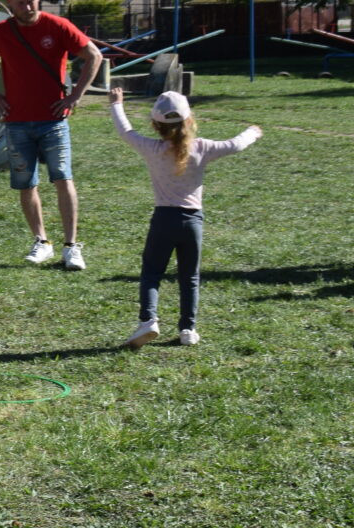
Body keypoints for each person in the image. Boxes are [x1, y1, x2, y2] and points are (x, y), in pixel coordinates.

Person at [111, 87, 261, 348]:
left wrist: (116, 104)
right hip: (193, 222)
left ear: (155, 125)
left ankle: (148, 321)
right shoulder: (202, 148)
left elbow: (126, 132)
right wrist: (252, 132)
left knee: (152, 273)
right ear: (189, 120)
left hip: (163, 219)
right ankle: (188, 329)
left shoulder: (152, 148)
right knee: (189, 277)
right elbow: (235, 145)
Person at [0, 0, 103, 270]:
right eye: (20, 2)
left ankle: (71, 247)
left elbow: (93, 55)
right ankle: (41, 242)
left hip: (53, 120)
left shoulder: (57, 26)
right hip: (16, 122)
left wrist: (75, 96)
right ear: (9, 3)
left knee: (63, 179)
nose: (27, 7)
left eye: (31, 0)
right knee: (26, 183)